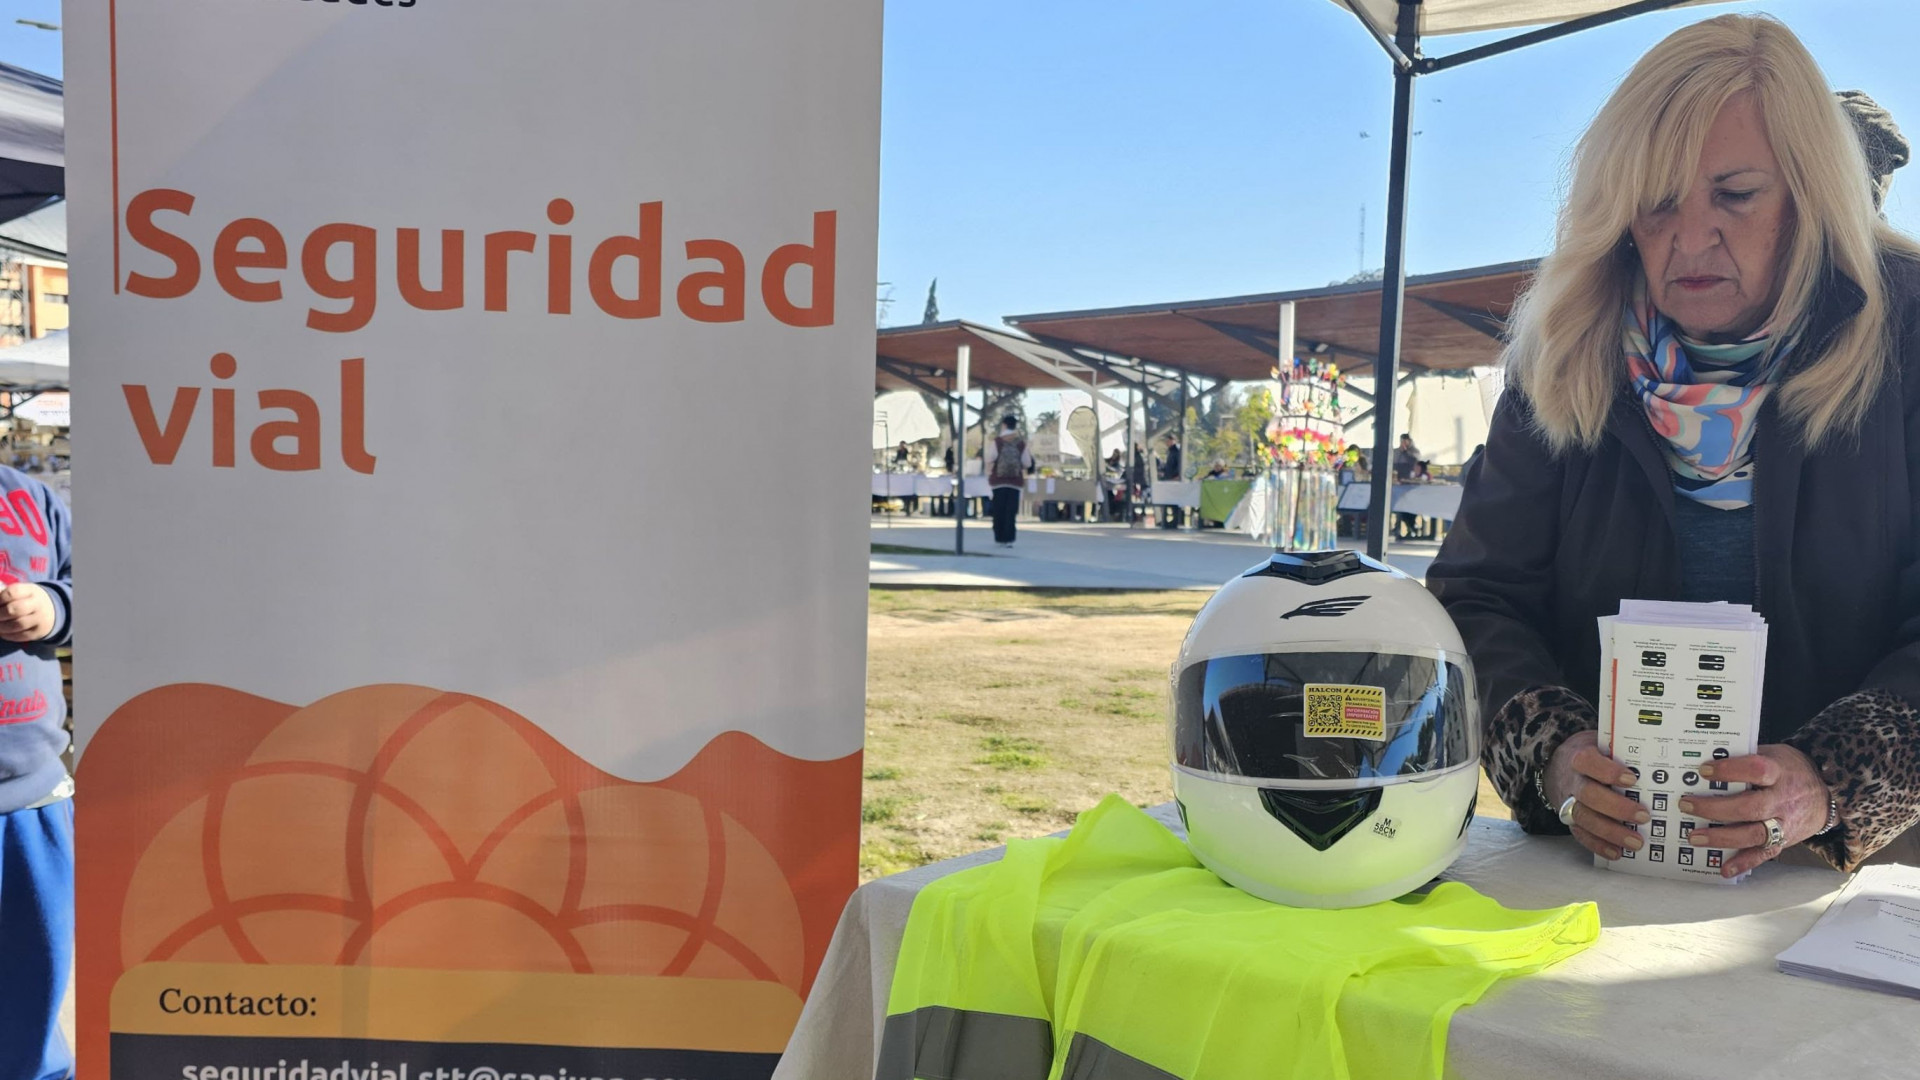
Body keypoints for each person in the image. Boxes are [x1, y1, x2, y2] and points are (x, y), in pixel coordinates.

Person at [1428, 15, 1920, 876]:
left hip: (1862, 895)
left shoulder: (1906, 331)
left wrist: (1828, 782)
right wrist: (1554, 755)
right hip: (1612, 884)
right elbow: (1478, 599)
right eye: (1656, 202)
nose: (1690, 239)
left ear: (1811, 191)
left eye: (1735, 194)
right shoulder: (1565, 347)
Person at [0, 466, 73, 1080]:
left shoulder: (32, 494)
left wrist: (50, 606)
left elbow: (90, 585)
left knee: (31, 997)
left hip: (31, 806)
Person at [984, 415, 1032, 547]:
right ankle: (1009, 539)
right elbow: (1027, 463)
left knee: (999, 510)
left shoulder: (997, 441)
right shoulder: (1021, 443)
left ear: (1004, 425)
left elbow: (989, 458)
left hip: (998, 482)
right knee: (1010, 512)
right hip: (1015, 483)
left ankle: (999, 538)